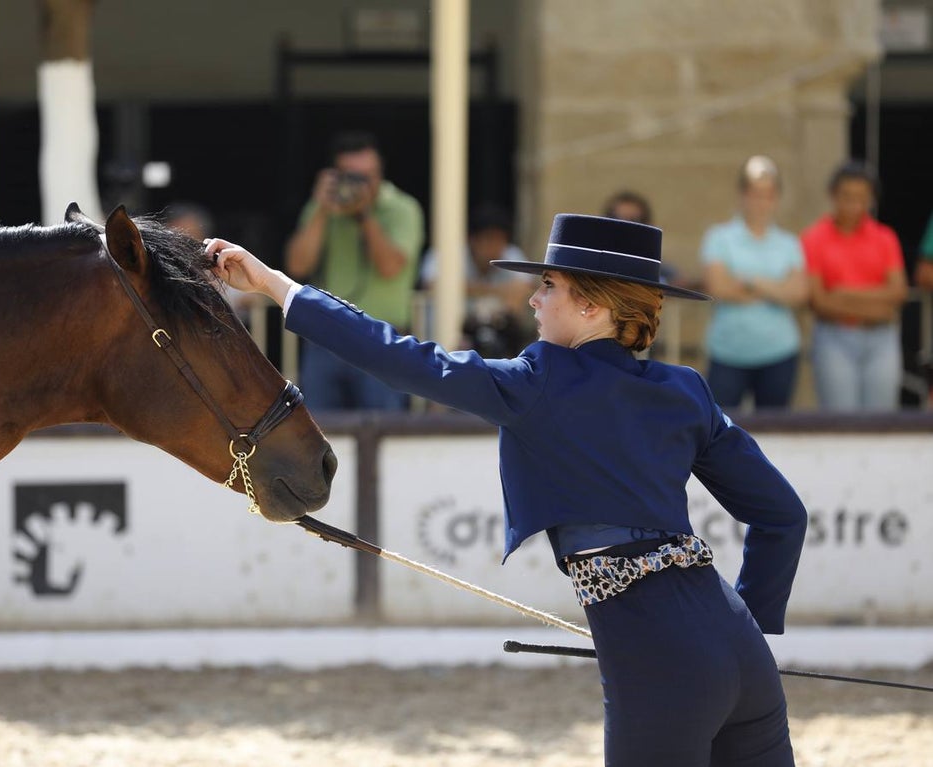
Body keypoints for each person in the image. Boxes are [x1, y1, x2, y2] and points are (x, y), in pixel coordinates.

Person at [207, 214, 807, 766]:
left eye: (549, 285)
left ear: (593, 307)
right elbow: (783, 516)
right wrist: (747, 627)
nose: (533, 297)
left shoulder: (537, 382)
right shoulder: (687, 390)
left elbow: (400, 357)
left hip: (661, 662)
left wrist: (277, 286)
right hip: (741, 646)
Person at [285, 130, 424, 410]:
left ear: (380, 173)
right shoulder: (323, 208)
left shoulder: (402, 208)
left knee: (384, 432)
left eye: (366, 176)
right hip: (326, 338)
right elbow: (297, 265)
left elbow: (390, 267)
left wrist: (365, 216)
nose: (359, 185)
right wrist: (322, 209)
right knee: (319, 435)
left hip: (381, 339)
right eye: (351, 176)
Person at [700, 156, 808, 409]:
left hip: (779, 351)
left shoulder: (789, 243)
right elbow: (718, 287)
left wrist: (750, 281)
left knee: (776, 429)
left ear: (776, 198)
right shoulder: (719, 237)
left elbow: (799, 294)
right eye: (754, 193)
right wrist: (776, 289)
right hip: (728, 350)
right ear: (742, 195)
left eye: (768, 194)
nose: (760, 201)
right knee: (721, 427)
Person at [801, 161, 908, 411]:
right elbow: (819, 301)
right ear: (833, 196)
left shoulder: (885, 237)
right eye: (847, 197)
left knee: (882, 419)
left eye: (862, 198)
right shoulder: (814, 238)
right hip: (834, 337)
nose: (854, 205)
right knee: (841, 419)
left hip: (881, 339)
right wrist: (879, 307)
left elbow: (899, 291)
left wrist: (843, 294)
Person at [419, 203, 531, 357]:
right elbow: (431, 285)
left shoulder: (511, 255)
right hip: (450, 343)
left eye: (499, 240)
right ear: (471, 239)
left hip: (499, 342)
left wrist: (469, 290)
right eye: (488, 239)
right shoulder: (449, 252)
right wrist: (495, 291)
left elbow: (525, 288)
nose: (494, 247)